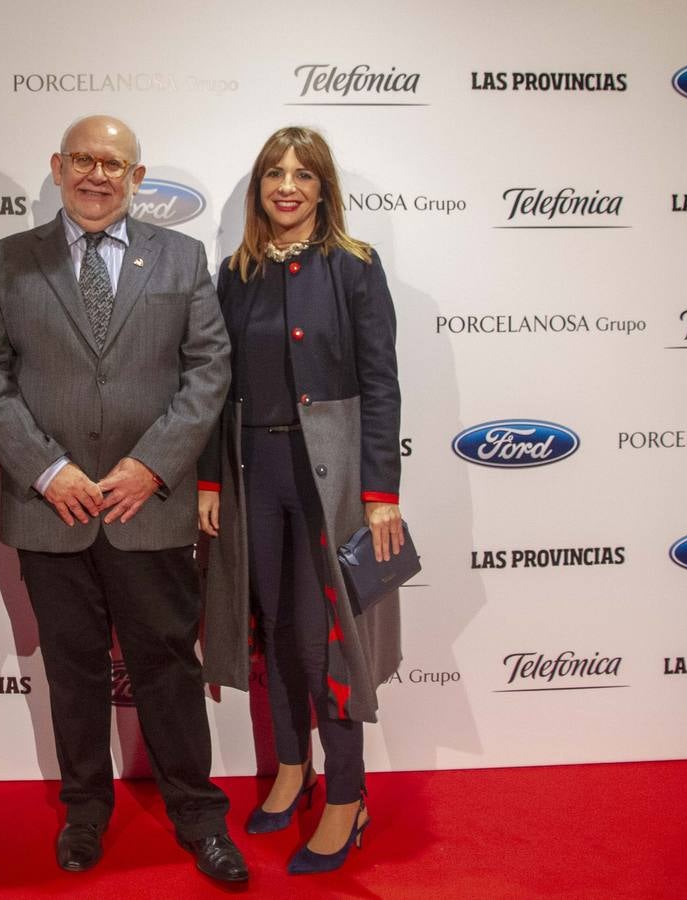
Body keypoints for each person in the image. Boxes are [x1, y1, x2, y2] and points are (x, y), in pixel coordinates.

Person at [0, 115, 247, 883]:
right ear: (57, 166)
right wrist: (47, 471)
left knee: (168, 669)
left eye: (113, 164)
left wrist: (152, 466)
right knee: (74, 671)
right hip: (51, 510)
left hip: (145, 507)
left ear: (137, 178)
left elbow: (209, 371)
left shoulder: (182, 259)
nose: (97, 175)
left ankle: (197, 812)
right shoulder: (6, 261)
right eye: (83, 159)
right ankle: (85, 811)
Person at [197, 125, 405, 876]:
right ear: (259, 188)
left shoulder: (354, 267)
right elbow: (215, 387)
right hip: (257, 472)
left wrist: (382, 492)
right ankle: (292, 768)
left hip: (335, 481)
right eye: (274, 174)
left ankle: (346, 796)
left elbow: (381, 382)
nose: (287, 186)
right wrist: (211, 479)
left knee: (327, 646)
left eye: (303, 174)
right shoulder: (236, 272)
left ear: (323, 187)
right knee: (274, 631)